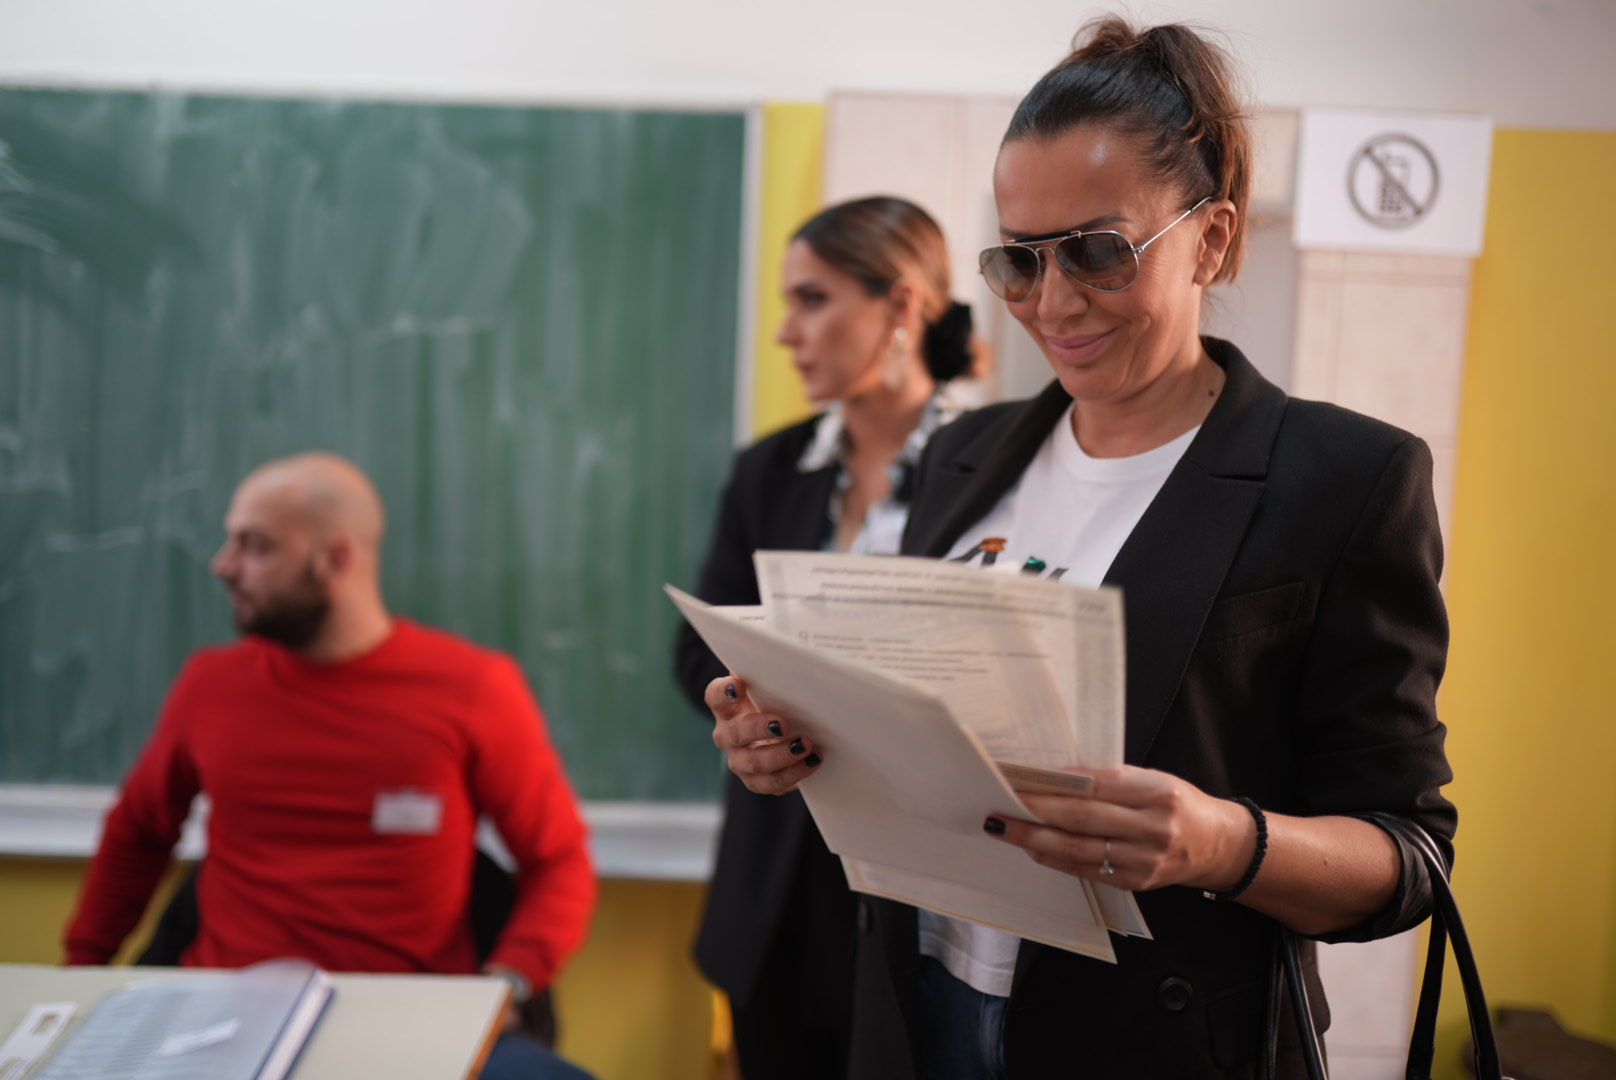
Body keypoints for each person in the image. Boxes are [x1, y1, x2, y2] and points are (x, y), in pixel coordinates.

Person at [702, 18, 1456, 1080]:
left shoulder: (1341, 478)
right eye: (1017, 261)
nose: (1051, 304)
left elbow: (1408, 857)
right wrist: (791, 737)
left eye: (1099, 252)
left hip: (1148, 1038)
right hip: (913, 1013)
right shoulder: (965, 453)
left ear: (1214, 238)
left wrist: (1217, 844)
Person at [63, 452, 597, 1080]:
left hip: (410, 1021)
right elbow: (139, 833)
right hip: (224, 1019)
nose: (223, 565)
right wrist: (80, 978)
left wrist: (507, 982)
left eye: (254, 547)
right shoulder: (211, 685)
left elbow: (558, 860)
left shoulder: (471, 688)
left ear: (336, 560)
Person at [675, 196, 981, 1079]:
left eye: (812, 300)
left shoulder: (993, 467)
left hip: (926, 895)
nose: (784, 332)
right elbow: (696, 645)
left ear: (902, 307)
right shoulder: (769, 469)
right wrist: (757, 695)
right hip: (773, 889)